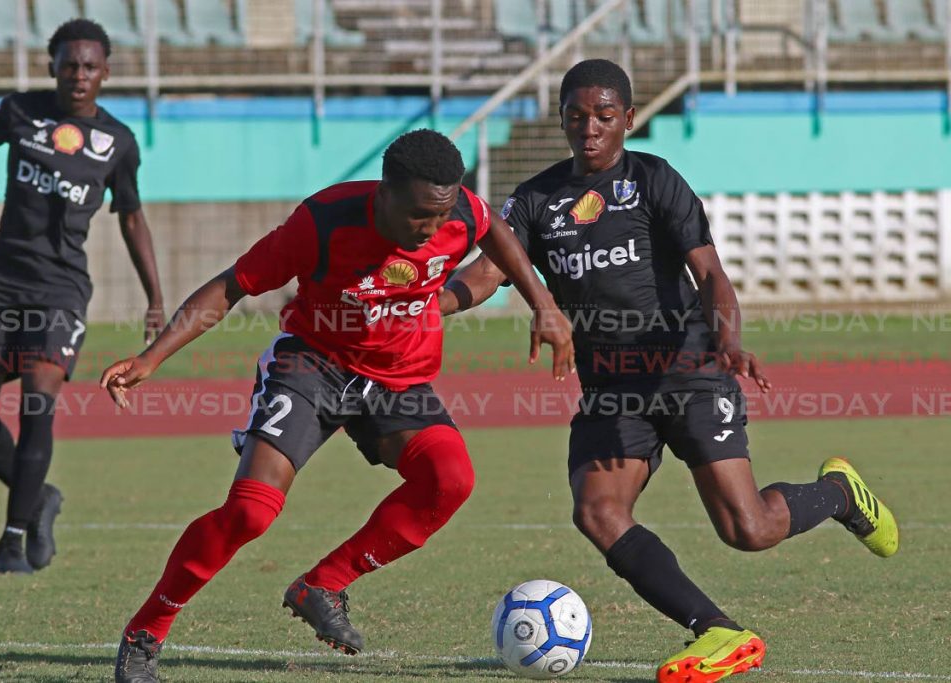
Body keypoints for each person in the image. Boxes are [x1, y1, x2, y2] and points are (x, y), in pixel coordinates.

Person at [441, 59, 898, 683]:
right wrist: (425, 305)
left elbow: (710, 275)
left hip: (688, 370)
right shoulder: (535, 199)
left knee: (748, 529)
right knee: (598, 511)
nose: (590, 128)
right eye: (577, 116)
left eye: (604, 116)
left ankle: (841, 494)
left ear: (628, 119)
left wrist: (729, 341)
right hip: (611, 390)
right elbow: (486, 273)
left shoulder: (655, 180)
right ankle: (719, 632)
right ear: (562, 120)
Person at [99, 129, 574, 683]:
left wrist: (543, 304)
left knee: (450, 480)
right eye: (420, 216)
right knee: (250, 512)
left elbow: (493, 230)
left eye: (440, 216)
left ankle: (322, 584)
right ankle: (146, 631)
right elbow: (232, 286)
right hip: (313, 364)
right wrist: (152, 358)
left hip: (398, 376)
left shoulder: (457, 212)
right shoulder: (324, 221)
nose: (431, 230)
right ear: (385, 193)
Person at [0, 19, 165, 575]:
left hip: (61, 291)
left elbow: (132, 218)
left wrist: (155, 299)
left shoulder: (117, 142)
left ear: (106, 73)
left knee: (38, 405)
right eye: (69, 64)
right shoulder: (20, 112)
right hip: (0, 283)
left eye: (90, 66)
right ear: (53, 67)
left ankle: (12, 538)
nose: (79, 75)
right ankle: (39, 497)